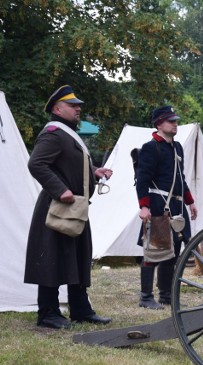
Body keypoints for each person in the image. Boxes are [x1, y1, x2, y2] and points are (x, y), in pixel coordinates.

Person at [25, 85, 112, 329]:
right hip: (58, 205)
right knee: (52, 258)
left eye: (78, 105)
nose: (78, 109)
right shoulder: (53, 133)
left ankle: (81, 309)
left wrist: (95, 171)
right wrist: (60, 189)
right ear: (57, 108)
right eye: (73, 105)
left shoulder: (68, 135)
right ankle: (48, 313)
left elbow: (70, 164)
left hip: (76, 207)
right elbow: (36, 164)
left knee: (78, 257)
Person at [135, 106, 198, 309]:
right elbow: (142, 180)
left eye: (175, 120)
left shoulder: (177, 147)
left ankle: (165, 295)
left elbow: (181, 178)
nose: (175, 124)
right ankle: (145, 297)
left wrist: (190, 202)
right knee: (154, 252)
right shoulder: (150, 148)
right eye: (170, 121)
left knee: (172, 253)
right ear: (159, 124)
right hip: (159, 206)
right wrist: (144, 207)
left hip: (177, 207)